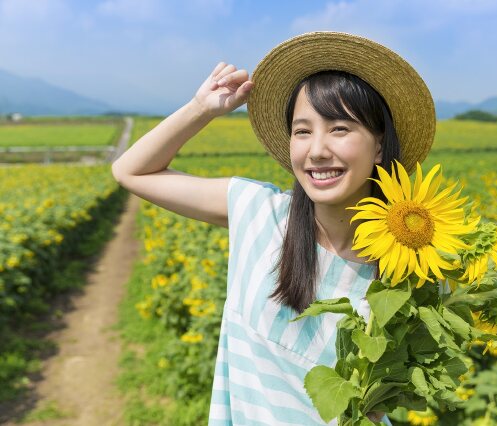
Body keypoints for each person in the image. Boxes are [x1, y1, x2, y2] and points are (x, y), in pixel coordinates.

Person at [111, 31, 437, 426]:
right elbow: (130, 170)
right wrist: (201, 108)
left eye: (339, 129)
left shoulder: (409, 272)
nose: (316, 150)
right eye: (302, 131)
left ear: (380, 146)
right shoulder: (260, 213)